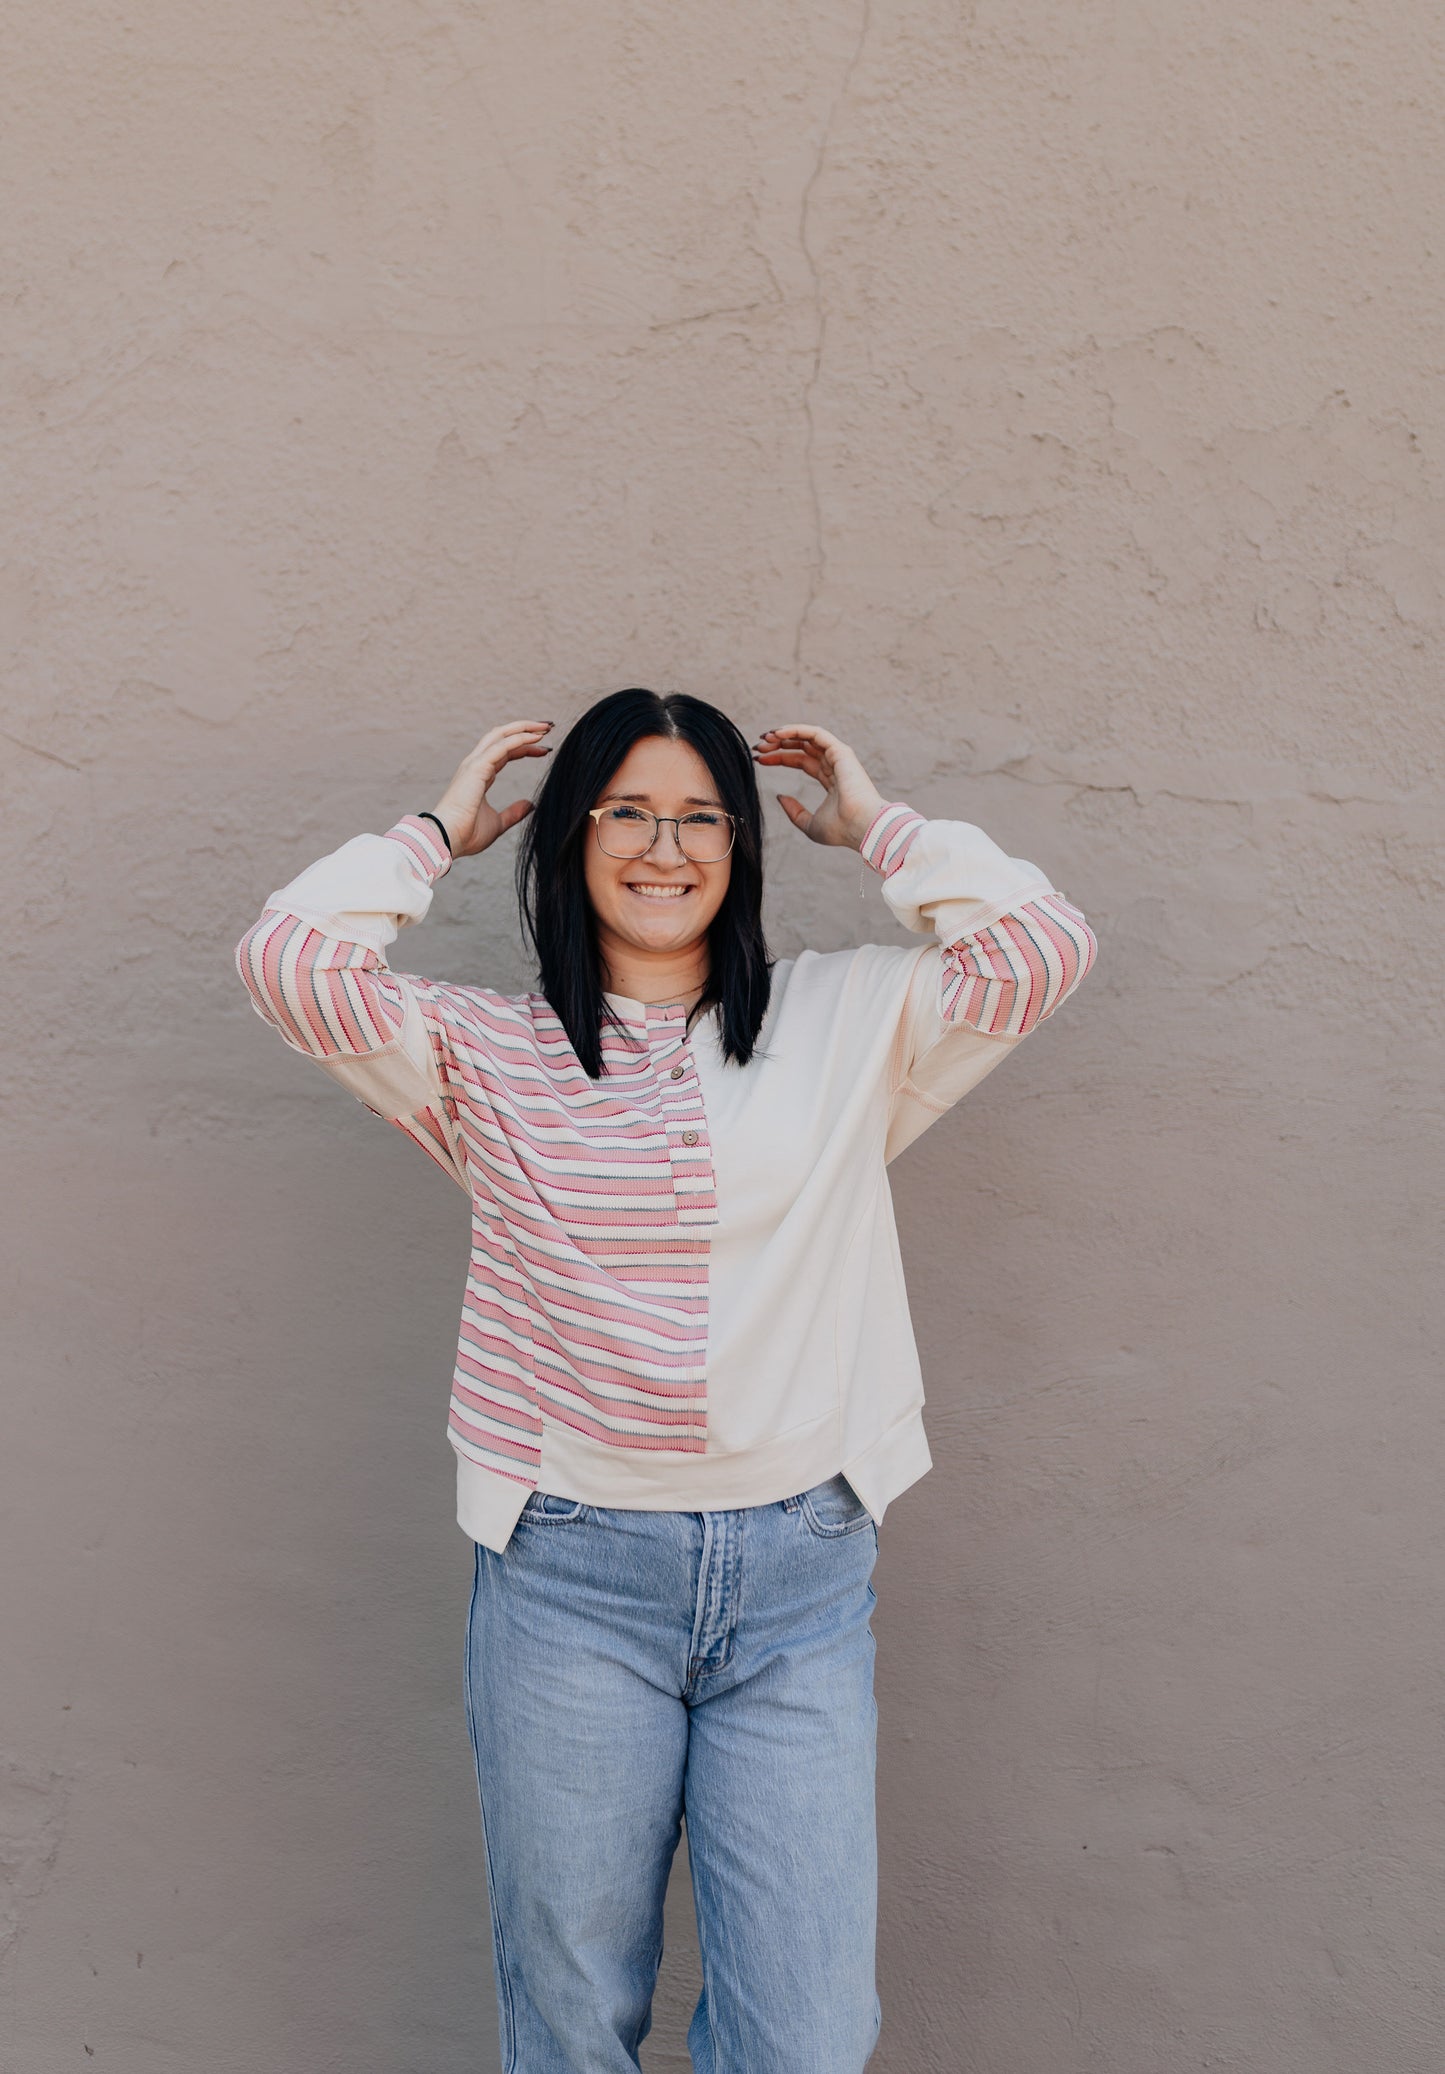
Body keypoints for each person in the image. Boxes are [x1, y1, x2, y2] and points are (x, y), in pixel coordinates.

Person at [235, 688, 1096, 2073]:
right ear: (570, 840)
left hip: (798, 1581)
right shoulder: (484, 1052)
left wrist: (879, 827)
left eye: (700, 814)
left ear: (743, 850)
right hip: (569, 1578)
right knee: (572, 2016)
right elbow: (288, 959)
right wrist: (433, 832)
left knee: (809, 2034)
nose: (663, 843)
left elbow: (1040, 945)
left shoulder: (843, 1021)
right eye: (626, 809)